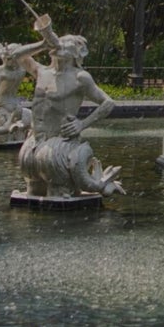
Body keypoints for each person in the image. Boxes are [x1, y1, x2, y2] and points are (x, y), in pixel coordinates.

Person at [17, 16, 123, 198]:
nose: (59, 44)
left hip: (59, 145)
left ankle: (94, 188)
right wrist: (43, 43)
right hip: (33, 142)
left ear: (76, 53)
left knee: (57, 197)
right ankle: (101, 185)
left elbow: (108, 103)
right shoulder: (41, 71)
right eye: (60, 41)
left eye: (66, 43)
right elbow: (15, 55)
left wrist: (82, 124)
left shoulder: (80, 77)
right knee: (33, 195)